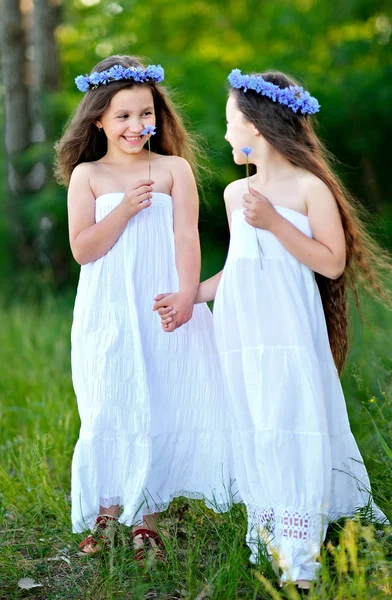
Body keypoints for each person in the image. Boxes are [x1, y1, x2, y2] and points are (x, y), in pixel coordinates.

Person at [155, 69, 389, 589]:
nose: (226, 133)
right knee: (256, 422)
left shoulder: (310, 188)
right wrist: (188, 295)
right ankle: (270, 536)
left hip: (286, 333)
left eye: (229, 122)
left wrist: (277, 223)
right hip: (242, 335)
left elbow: (330, 263)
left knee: (291, 419)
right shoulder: (238, 195)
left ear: (256, 127)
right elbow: (238, 271)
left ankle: (299, 560)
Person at [54, 55, 235, 558]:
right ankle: (107, 515)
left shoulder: (173, 169)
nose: (137, 126)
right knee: (107, 398)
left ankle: (148, 518)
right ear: (99, 121)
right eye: (124, 117)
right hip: (108, 308)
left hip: (161, 303)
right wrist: (127, 209)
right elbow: (83, 248)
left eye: (145, 114)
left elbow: (185, 236)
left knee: (161, 396)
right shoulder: (88, 175)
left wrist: (186, 293)